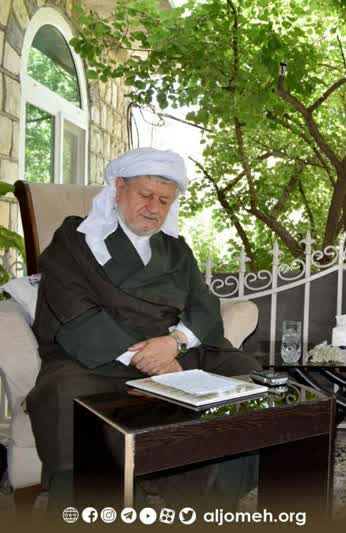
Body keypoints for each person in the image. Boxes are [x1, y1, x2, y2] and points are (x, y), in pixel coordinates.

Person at [26, 147, 261, 509]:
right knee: (66, 393)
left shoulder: (176, 249)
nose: (154, 208)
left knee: (246, 374)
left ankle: (205, 495)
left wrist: (175, 344)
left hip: (173, 351)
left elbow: (205, 307)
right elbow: (72, 309)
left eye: (164, 201)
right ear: (119, 188)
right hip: (98, 359)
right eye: (146, 195)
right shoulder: (74, 238)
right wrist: (146, 359)